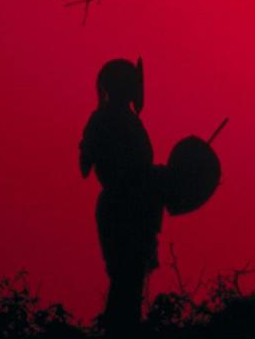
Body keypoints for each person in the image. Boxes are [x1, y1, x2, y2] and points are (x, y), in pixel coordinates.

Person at [80, 58, 163, 336]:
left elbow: (85, 165)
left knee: (125, 280)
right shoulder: (119, 121)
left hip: (118, 207)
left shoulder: (101, 119)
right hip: (126, 208)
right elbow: (132, 170)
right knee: (127, 282)